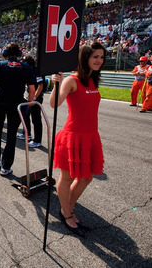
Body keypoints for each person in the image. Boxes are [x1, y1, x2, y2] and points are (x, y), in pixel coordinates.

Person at [49, 42, 106, 237]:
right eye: (95, 56)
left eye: (101, 57)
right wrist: (56, 84)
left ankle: (67, 207)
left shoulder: (92, 80)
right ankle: (66, 212)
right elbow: (54, 104)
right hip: (72, 136)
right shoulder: (72, 80)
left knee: (86, 177)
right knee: (68, 177)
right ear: (85, 57)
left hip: (91, 136)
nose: (99, 60)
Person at [0, 43, 35, 176]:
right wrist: (28, 103)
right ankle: (6, 167)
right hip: (16, 105)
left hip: (0, 103)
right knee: (11, 136)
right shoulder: (26, 66)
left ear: (5, 52)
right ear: (19, 53)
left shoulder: (0, 65)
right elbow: (32, 90)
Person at [18, 55, 44, 148]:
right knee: (25, 116)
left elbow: (40, 86)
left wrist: (34, 98)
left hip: (36, 99)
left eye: (24, 62)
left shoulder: (36, 71)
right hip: (30, 97)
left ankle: (37, 140)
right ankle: (27, 134)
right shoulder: (29, 71)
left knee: (36, 119)